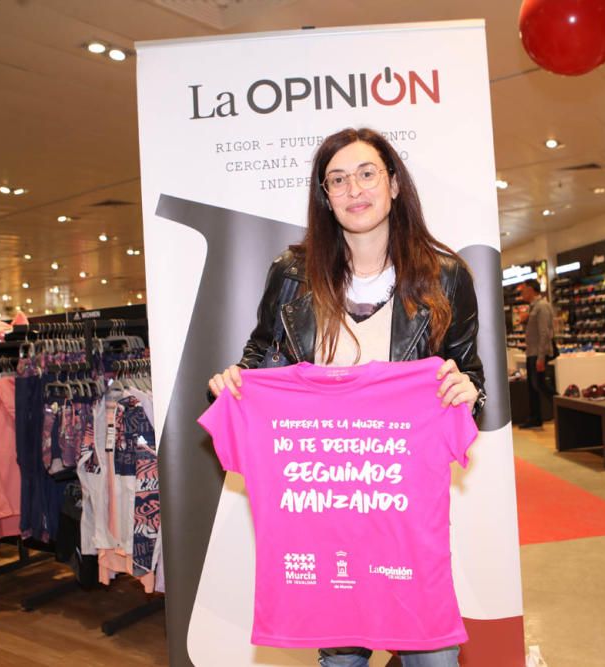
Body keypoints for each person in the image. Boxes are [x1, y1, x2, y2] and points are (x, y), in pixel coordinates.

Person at [207, 127, 485, 667]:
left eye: (366, 174)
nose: (354, 189)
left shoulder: (446, 277)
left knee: (434, 659)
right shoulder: (293, 275)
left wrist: (467, 392)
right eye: (338, 180)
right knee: (341, 662)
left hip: (402, 511)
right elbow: (263, 357)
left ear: (395, 184)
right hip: (326, 519)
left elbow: (473, 381)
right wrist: (235, 383)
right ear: (324, 196)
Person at [516, 278, 553, 428]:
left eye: (523, 290)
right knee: (534, 386)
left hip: (537, 353)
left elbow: (544, 332)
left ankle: (560, 406)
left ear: (531, 290)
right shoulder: (533, 307)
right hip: (532, 352)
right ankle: (535, 417)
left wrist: (541, 357)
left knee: (541, 385)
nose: (522, 293)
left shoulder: (542, 306)